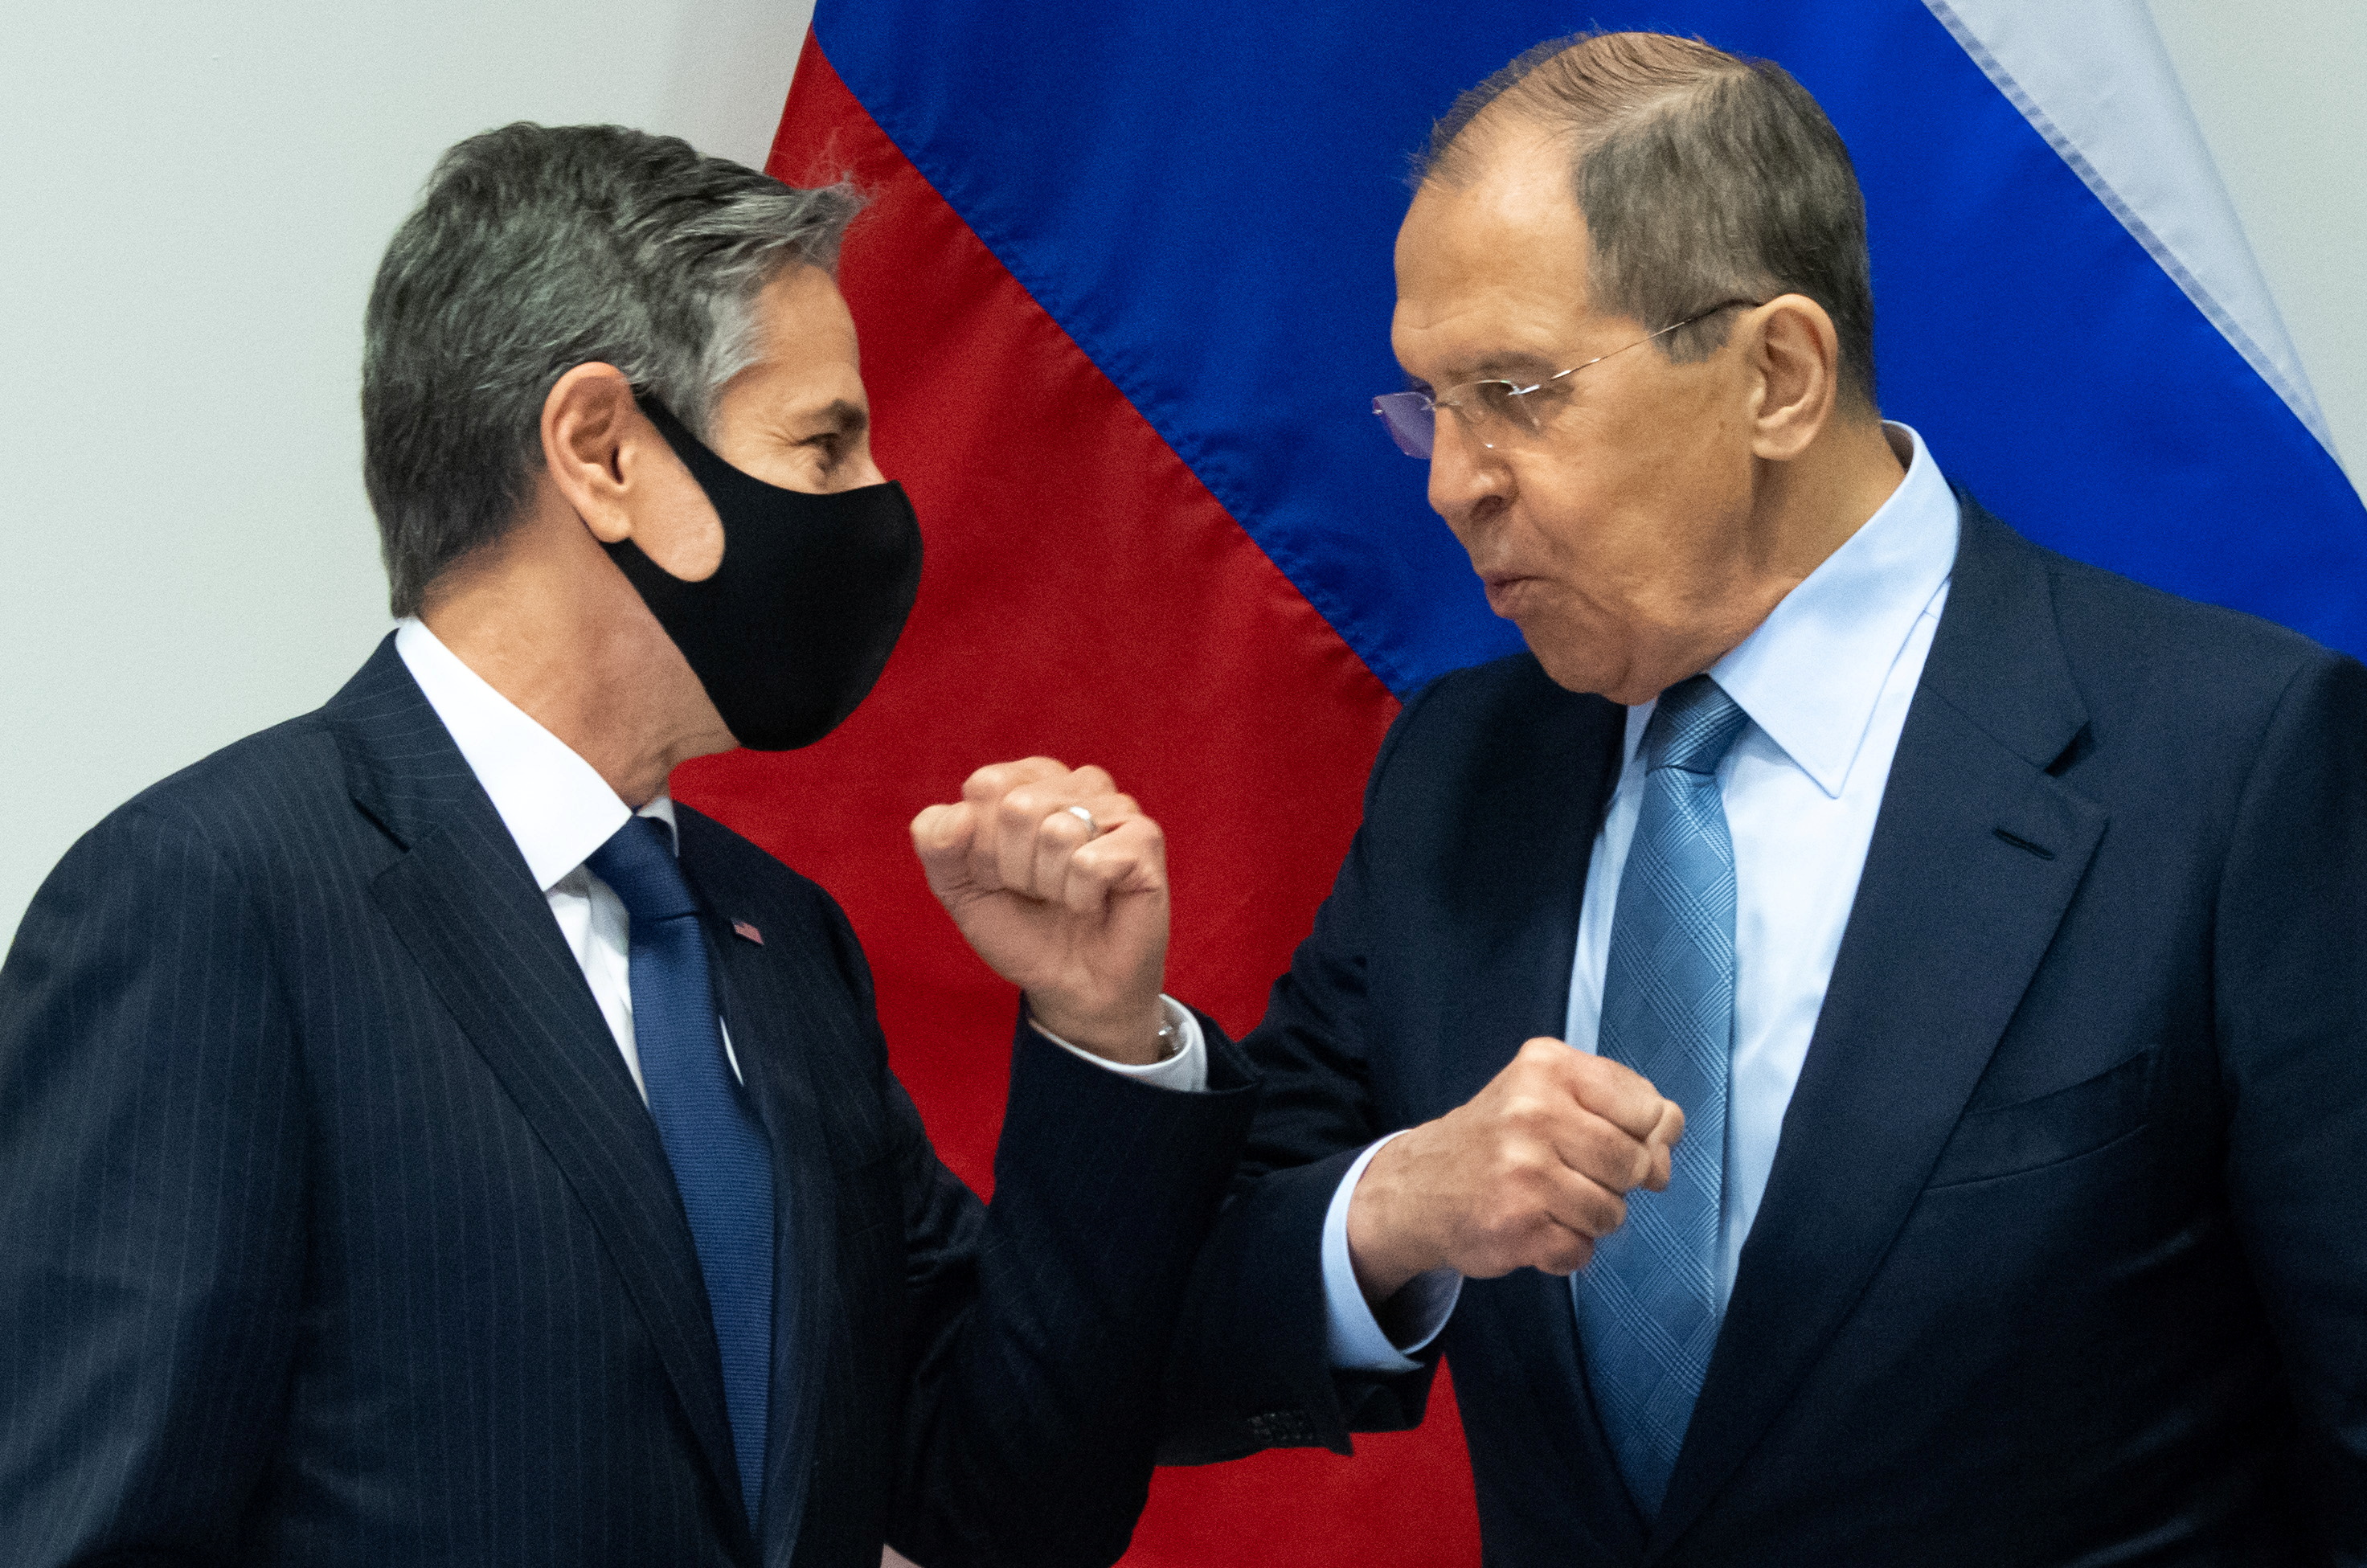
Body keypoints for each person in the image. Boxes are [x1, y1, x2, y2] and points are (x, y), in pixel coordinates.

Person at [1152, 31, 2367, 1565]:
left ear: (1776, 377)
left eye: (1513, 394)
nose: (1450, 480)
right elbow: (1173, 1344)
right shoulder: (1460, 777)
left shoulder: (2236, 760)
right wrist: (1400, 1202)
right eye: (1429, 407)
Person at [0, 124, 1255, 1568]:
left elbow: (1000, 1503)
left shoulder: (778, 939)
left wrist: (1099, 1032)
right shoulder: (215, 899)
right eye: (825, 441)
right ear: (602, 451)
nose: (876, 505)